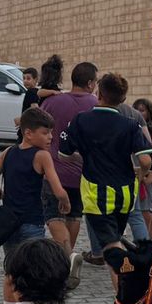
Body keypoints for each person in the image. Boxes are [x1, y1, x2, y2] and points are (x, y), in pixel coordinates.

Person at [59, 73, 152, 291]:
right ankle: (130, 278)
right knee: (116, 239)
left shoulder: (81, 120)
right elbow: (146, 159)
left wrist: (80, 157)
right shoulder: (130, 124)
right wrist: (140, 174)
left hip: (96, 194)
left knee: (112, 247)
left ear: (98, 93)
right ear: (122, 99)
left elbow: (64, 155)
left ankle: (126, 297)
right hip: (125, 194)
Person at [0, 106, 69, 260]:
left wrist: (5, 197)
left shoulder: (8, 152)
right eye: (45, 133)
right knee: (33, 269)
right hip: (32, 222)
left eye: (51, 132)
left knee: (12, 266)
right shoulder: (42, 156)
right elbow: (59, 191)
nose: (50, 137)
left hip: (9, 222)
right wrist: (65, 202)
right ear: (28, 133)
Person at [41, 63, 97, 283]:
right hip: (83, 174)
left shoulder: (53, 101)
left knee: (53, 216)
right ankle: (65, 262)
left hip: (54, 171)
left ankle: (68, 256)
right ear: (91, 83)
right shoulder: (95, 105)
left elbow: (37, 123)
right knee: (74, 216)